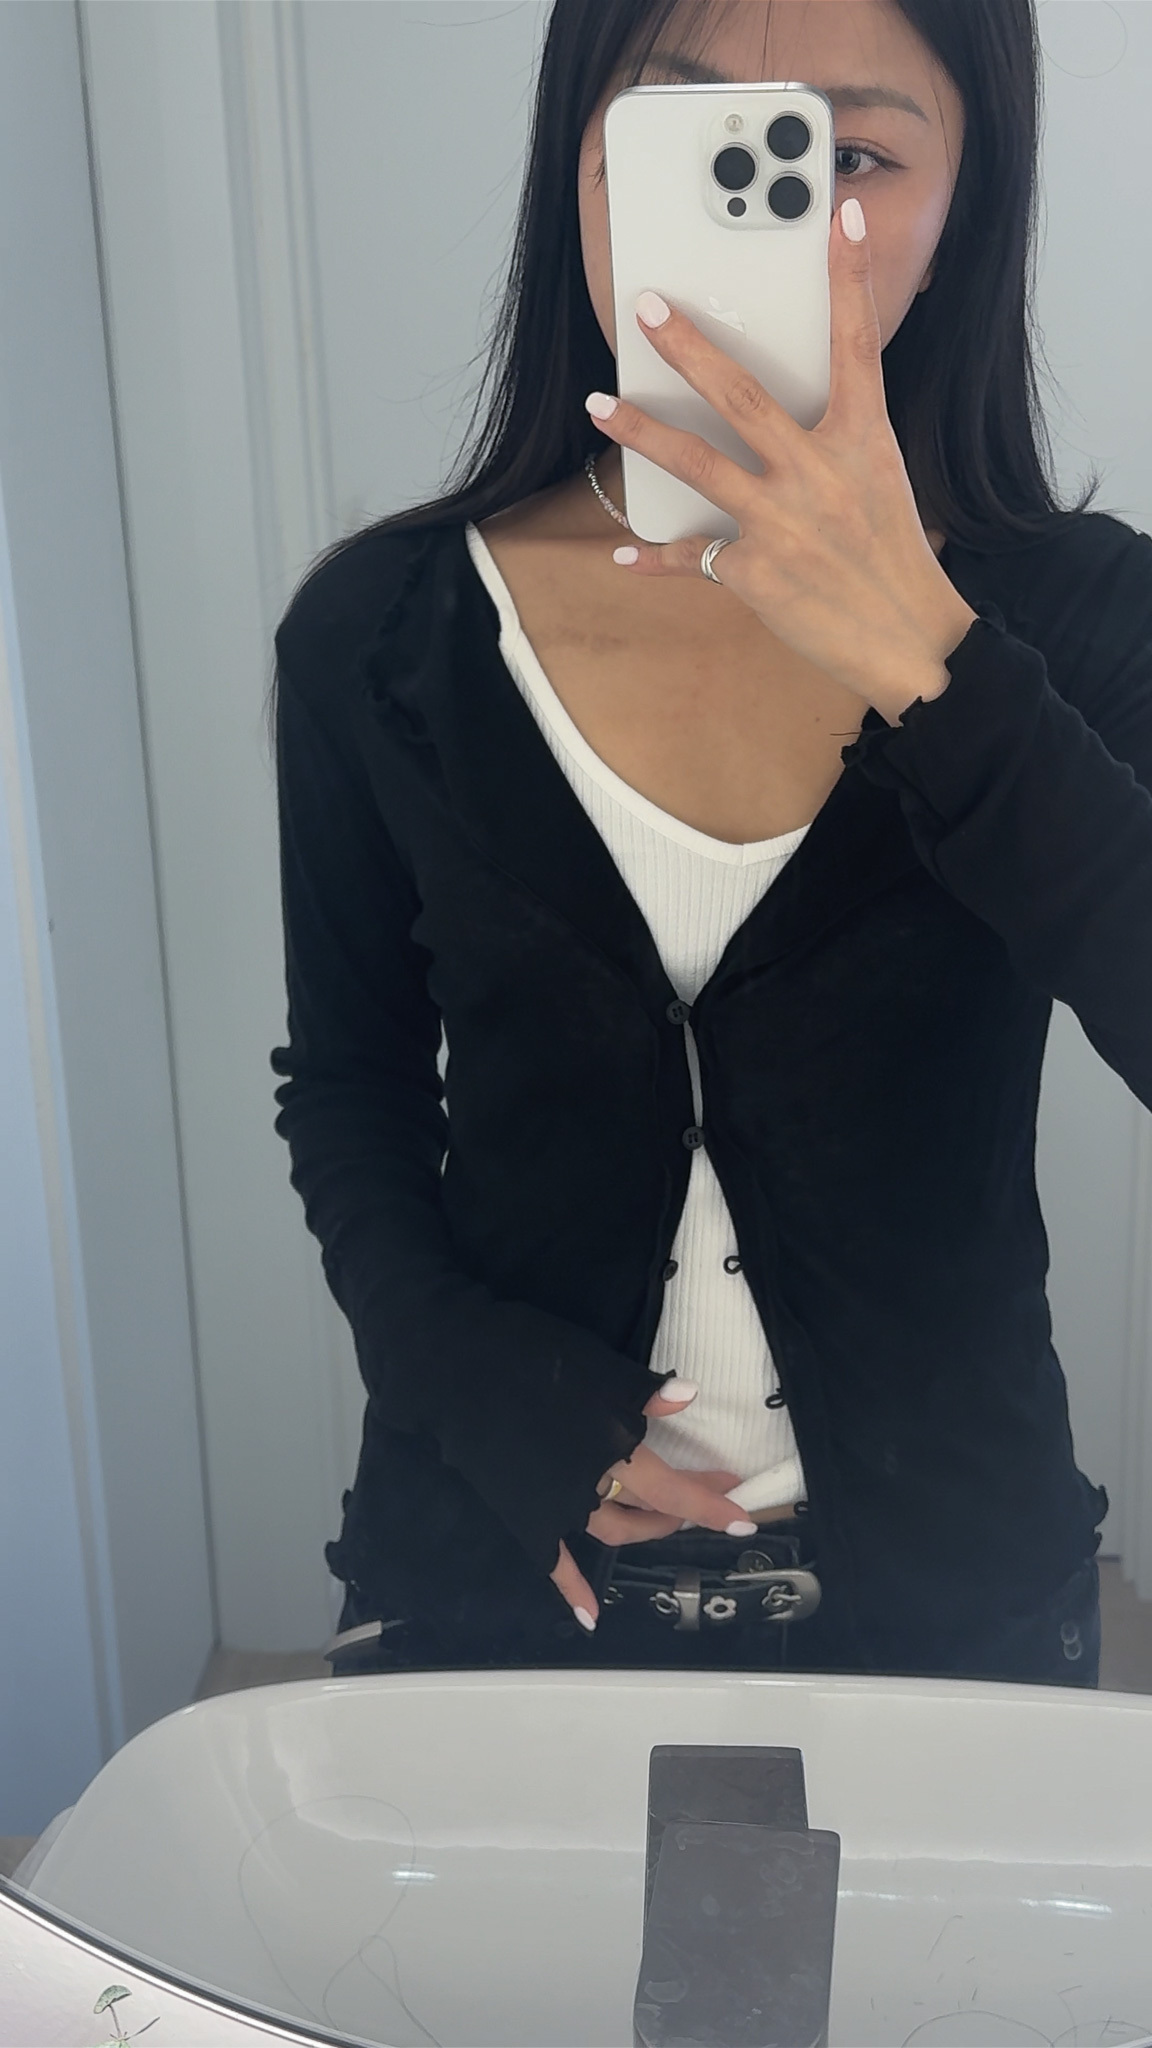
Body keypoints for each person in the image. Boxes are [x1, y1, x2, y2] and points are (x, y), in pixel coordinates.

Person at [269, 0, 1151, 1689]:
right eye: (680, 137)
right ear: (580, 169)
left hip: (959, 1608)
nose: (776, 214)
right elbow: (351, 1084)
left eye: (854, 154)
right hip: (497, 1569)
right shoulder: (380, 634)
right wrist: (468, 1380)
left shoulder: (1087, 619)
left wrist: (930, 657)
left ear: (969, 197)